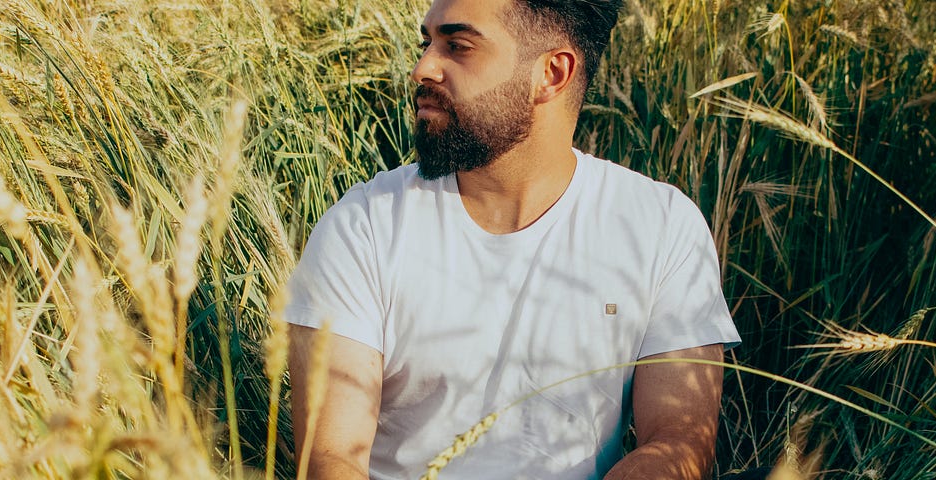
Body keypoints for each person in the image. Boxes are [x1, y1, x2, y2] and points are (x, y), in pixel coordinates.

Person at [281, 0, 740, 478]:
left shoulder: (659, 225)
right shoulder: (365, 226)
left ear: (552, 73)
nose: (422, 68)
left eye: (457, 46)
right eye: (427, 42)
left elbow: (679, 443)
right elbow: (331, 458)